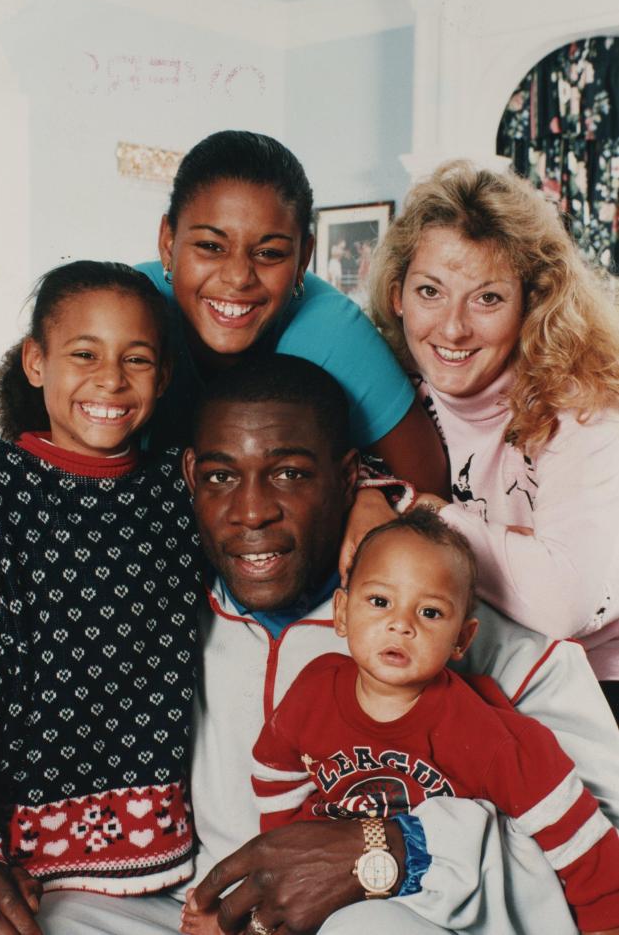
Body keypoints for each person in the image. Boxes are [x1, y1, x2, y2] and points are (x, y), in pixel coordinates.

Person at [170, 354, 619, 935]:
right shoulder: (170, 621)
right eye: (221, 476)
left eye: (291, 474)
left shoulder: (494, 641)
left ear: (348, 476)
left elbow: (599, 850)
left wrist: (395, 852)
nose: (253, 512)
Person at [248, 511, 619, 934]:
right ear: (342, 613)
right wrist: (279, 866)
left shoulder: (484, 733)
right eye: (380, 601)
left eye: (429, 612)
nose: (401, 625)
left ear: (462, 638)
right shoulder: (316, 690)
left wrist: (605, 923)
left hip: (442, 908)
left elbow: (577, 834)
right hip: (336, 887)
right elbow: (275, 772)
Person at [0, 262, 202, 934]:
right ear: (35, 362)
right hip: (12, 842)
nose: (111, 379)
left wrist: (375, 494)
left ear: (162, 377)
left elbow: (298, 469)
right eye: (85, 354)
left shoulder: (183, 485)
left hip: (157, 848)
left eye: (135, 358)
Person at [369, 159, 619, 717]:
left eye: (487, 299)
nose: (453, 328)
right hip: (462, 673)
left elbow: (560, 602)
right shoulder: (390, 394)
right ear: (397, 295)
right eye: (431, 291)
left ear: (532, 303)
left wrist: (428, 513)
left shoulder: (585, 408)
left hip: (592, 687)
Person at [135, 129, 448, 497]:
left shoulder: (332, 331)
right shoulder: (124, 307)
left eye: (269, 253)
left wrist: (371, 497)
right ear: (168, 242)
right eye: (209, 246)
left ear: (304, 259)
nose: (237, 277)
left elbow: (431, 488)